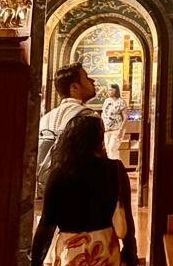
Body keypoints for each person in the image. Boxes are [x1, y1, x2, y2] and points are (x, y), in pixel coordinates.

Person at [31, 114, 138, 266]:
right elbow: (127, 215)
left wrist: (36, 261)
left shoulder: (60, 173)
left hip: (70, 250)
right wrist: (131, 253)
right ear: (98, 139)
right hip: (104, 249)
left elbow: (47, 223)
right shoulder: (115, 169)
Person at [36, 64, 97, 197]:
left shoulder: (45, 118)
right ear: (74, 87)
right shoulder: (89, 117)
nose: (93, 81)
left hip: (48, 191)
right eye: (87, 78)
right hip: (77, 192)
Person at [101, 84, 127, 161]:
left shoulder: (121, 102)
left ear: (115, 91)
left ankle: (116, 166)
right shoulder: (106, 101)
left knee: (112, 149)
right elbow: (103, 113)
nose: (108, 91)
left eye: (110, 90)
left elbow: (125, 116)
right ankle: (110, 166)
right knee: (107, 149)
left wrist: (121, 129)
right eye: (108, 90)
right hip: (106, 129)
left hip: (116, 129)